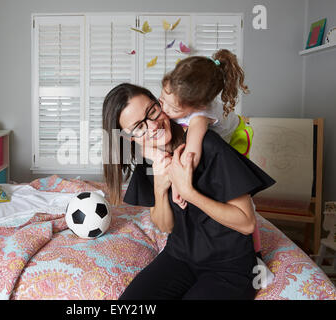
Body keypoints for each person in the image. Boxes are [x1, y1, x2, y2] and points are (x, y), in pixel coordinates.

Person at [102, 83, 275, 299]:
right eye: (139, 127)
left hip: (230, 265)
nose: (153, 126)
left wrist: (188, 191)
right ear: (129, 137)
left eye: (152, 112)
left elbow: (247, 223)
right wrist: (159, 186)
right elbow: (165, 225)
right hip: (179, 257)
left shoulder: (208, 145)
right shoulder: (149, 161)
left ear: (160, 103)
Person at [160, 49, 262, 255]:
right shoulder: (177, 94)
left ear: (198, 105)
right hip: (215, 139)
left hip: (236, 138)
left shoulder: (200, 118)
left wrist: (179, 185)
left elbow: (192, 155)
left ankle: (255, 248)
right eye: (162, 101)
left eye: (173, 109)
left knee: (235, 189)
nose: (166, 111)